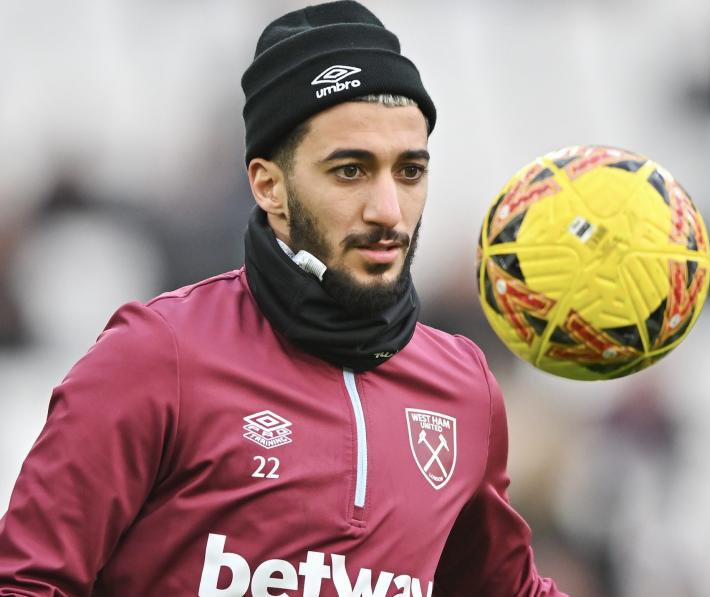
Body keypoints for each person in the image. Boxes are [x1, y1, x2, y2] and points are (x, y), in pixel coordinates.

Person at [0, 2, 567, 596]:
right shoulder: (155, 356)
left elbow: (504, 589)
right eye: (350, 170)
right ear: (269, 185)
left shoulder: (464, 387)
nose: (387, 210)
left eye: (409, 171)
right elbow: (27, 584)